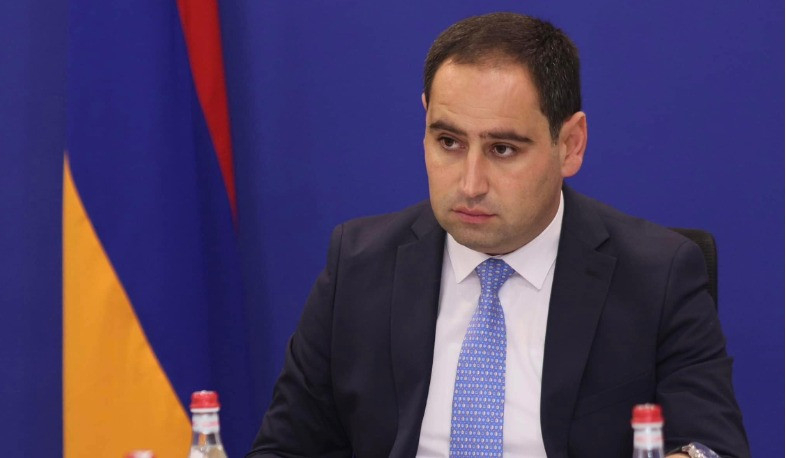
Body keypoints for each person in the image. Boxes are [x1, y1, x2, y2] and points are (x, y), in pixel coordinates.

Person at [247, 13, 749, 458]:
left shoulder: (658, 275)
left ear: (570, 145)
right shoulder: (359, 265)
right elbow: (286, 448)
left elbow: (711, 446)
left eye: (503, 149)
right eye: (448, 141)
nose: (470, 184)